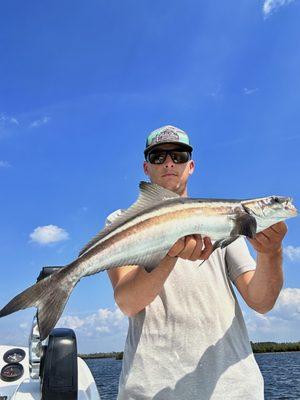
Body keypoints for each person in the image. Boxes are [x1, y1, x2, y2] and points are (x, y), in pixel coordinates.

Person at [106, 125, 287, 400]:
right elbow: (128, 302)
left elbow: (261, 301)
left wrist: (271, 254)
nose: (169, 162)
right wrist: (170, 254)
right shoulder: (120, 222)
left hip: (235, 390)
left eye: (178, 156)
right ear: (146, 167)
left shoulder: (228, 223)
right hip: (150, 391)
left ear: (190, 166)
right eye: (158, 157)